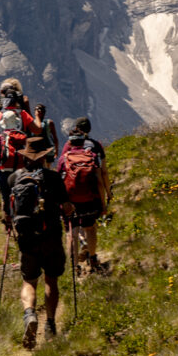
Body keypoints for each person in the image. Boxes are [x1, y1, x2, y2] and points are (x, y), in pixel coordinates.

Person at [8, 136, 72, 348]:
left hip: (27, 238)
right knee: (51, 280)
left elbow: (7, 212)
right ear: (44, 157)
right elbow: (67, 207)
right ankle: (51, 324)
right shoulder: (53, 178)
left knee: (29, 280)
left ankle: (29, 315)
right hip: (51, 236)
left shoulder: (14, 178)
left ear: (25, 157)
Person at [56, 117, 112, 275]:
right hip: (90, 198)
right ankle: (93, 258)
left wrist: (62, 202)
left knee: (71, 233)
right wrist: (104, 202)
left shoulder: (65, 156)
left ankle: (74, 267)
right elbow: (101, 179)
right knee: (90, 228)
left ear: (71, 142)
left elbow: (59, 181)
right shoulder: (94, 151)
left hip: (71, 200)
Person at [0, 78, 45, 225]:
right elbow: (36, 130)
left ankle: (6, 220)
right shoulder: (23, 108)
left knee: (5, 194)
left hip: (2, 152)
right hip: (21, 157)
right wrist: (38, 117)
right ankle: (27, 212)